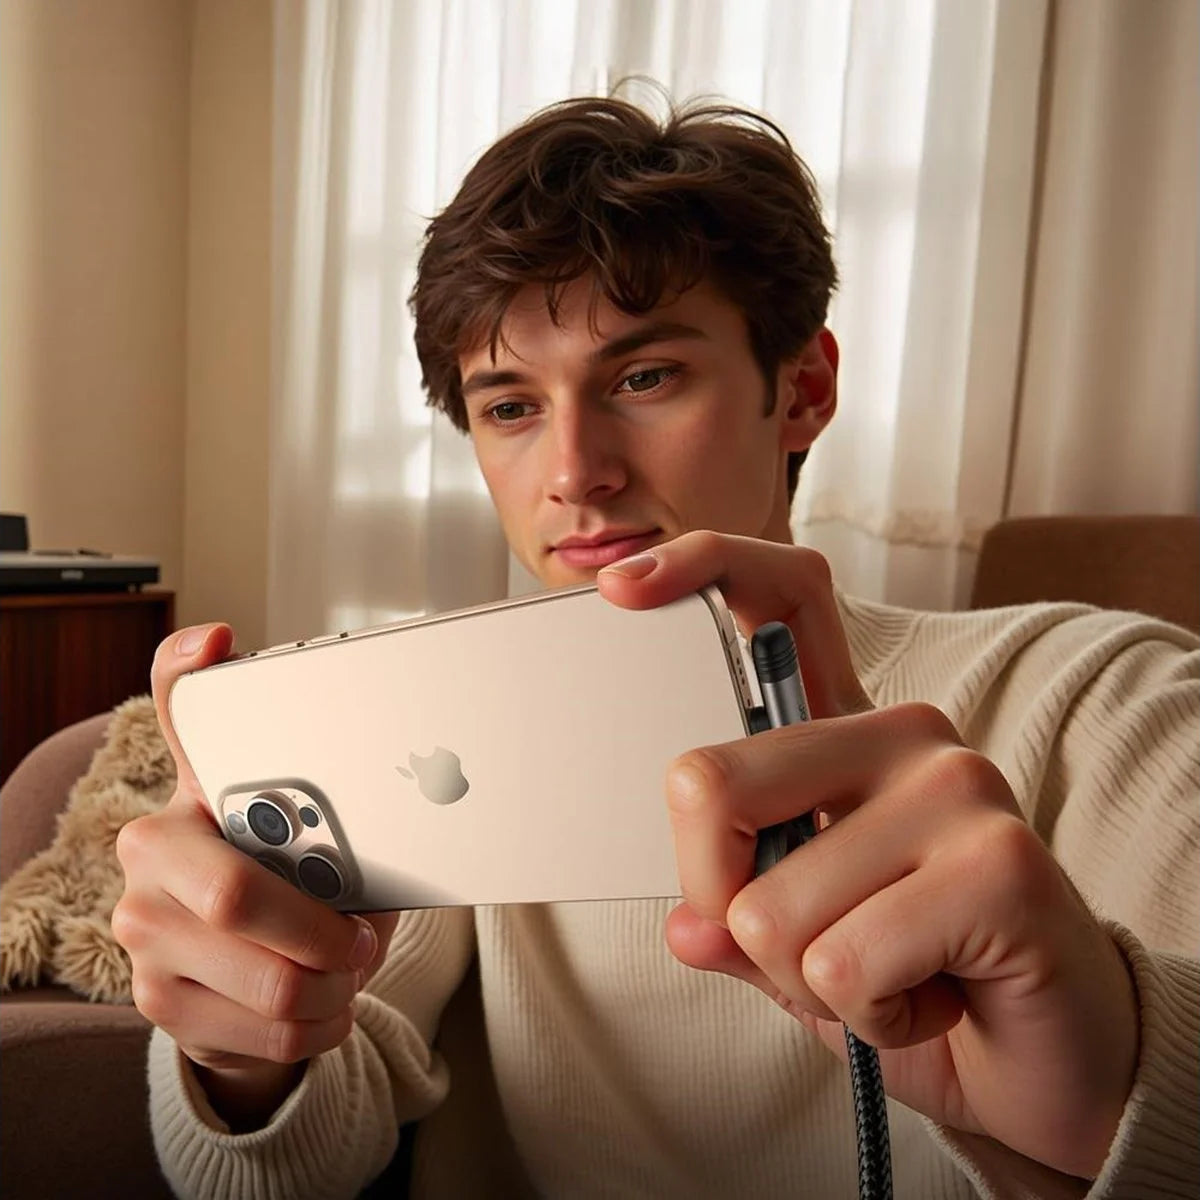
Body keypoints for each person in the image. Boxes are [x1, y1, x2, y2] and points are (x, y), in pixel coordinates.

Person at [113, 95, 1199, 1198]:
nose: (575, 473)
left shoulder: (1099, 695)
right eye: (511, 407)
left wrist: (1111, 1094)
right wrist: (240, 1057)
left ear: (803, 390)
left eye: (643, 378)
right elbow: (295, 1158)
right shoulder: (441, 729)